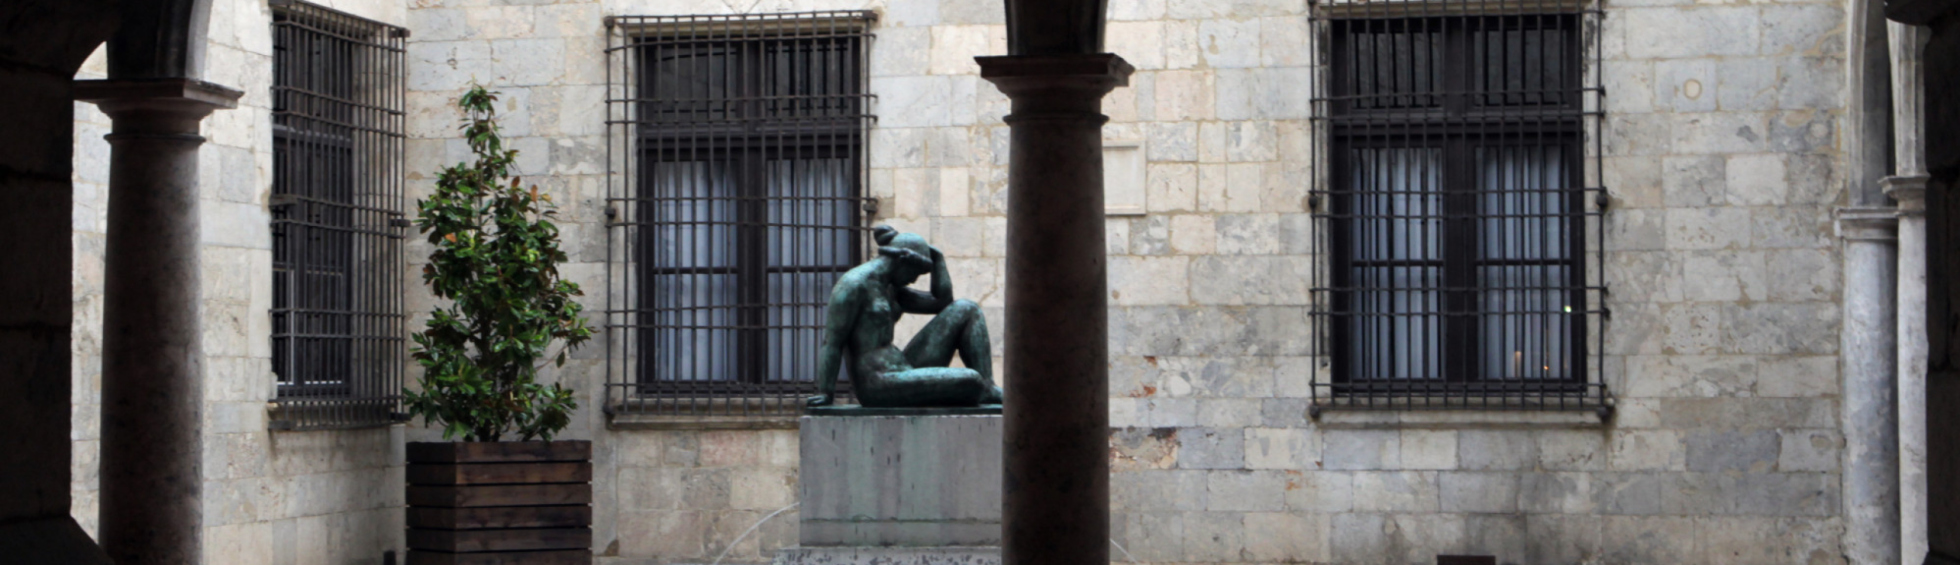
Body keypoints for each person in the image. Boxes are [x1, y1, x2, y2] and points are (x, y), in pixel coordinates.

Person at [806, 225, 1003, 408]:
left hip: (903, 370)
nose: (914, 279)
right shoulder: (853, 285)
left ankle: (988, 388)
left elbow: (941, 303)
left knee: (967, 309)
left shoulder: (891, 287)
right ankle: (982, 387)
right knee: (970, 380)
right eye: (915, 273)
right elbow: (832, 342)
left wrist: (938, 260)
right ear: (902, 260)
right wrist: (825, 392)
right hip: (877, 383)